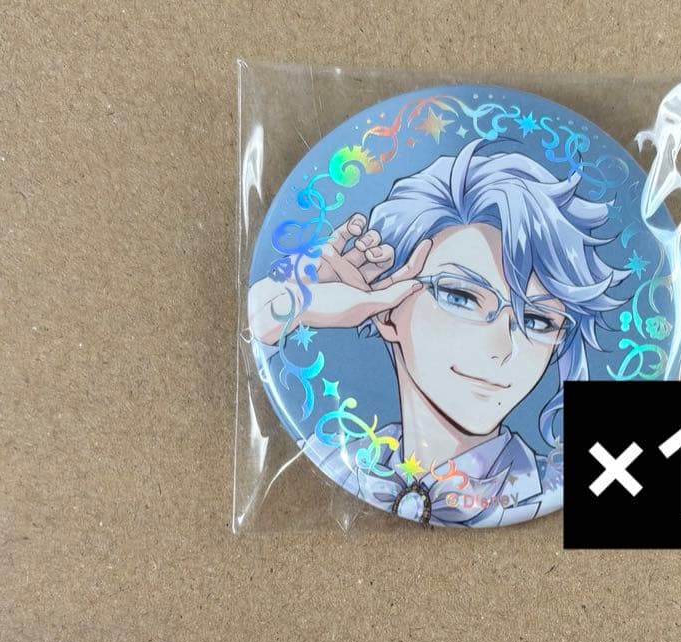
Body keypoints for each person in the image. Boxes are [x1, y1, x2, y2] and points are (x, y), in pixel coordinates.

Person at [248, 140, 628, 526]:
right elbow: (258, 322)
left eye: (537, 321)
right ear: (386, 310)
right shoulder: (338, 455)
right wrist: (301, 300)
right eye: (460, 297)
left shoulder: (567, 486)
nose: (503, 348)